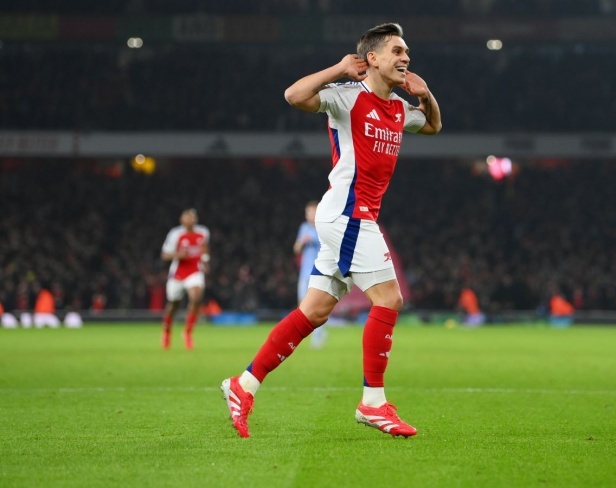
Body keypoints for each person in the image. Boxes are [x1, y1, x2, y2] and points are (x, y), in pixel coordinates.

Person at [221, 22, 441, 439]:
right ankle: (372, 402)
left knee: (315, 311)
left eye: (407, 52)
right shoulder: (347, 97)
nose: (406, 58)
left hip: (352, 217)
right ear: (372, 58)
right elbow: (293, 95)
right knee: (389, 298)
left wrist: (426, 95)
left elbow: (433, 127)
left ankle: (243, 384)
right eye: (397, 51)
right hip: (348, 214)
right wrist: (339, 68)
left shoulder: (398, 108)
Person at [160, 208, 210, 350]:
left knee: (196, 297)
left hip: (195, 271)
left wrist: (206, 260)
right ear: (181, 220)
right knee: (173, 305)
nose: (191, 219)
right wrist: (178, 255)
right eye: (188, 217)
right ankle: (167, 331)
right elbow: (165, 255)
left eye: (193, 217)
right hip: (178, 273)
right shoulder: (175, 234)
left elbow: (204, 248)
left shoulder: (203, 231)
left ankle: (187, 332)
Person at [293, 200, 328, 348]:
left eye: (312, 212)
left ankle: (318, 335)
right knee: (302, 304)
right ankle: (312, 333)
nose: (310, 215)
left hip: (320, 272)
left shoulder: (323, 227)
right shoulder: (304, 228)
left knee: (317, 305)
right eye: (308, 212)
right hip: (305, 272)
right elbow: (296, 249)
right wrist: (301, 242)